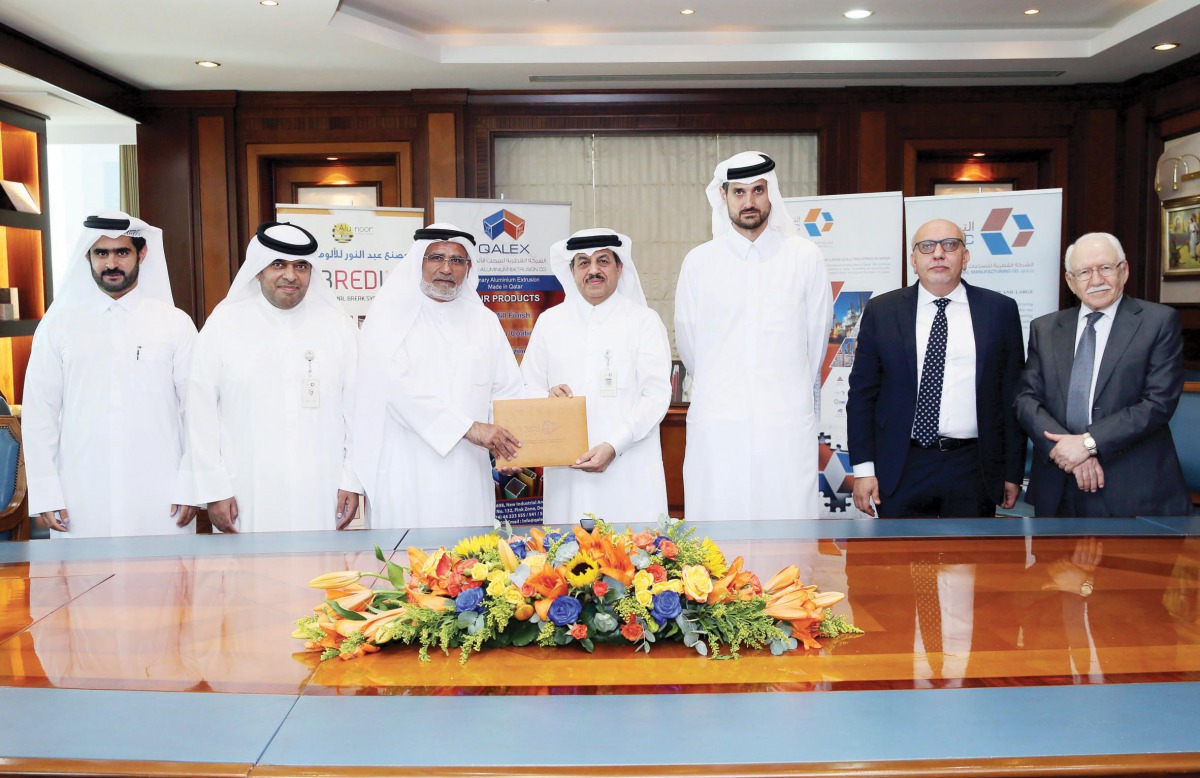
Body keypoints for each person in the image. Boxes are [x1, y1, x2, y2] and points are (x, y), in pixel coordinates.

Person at [674, 151, 832, 520]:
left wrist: (782, 392)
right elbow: (690, 344)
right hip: (719, 420)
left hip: (785, 420)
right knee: (718, 521)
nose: (749, 202)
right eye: (739, 192)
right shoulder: (699, 262)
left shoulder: (804, 257)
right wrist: (725, 388)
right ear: (724, 197)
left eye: (758, 190)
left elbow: (816, 340)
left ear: (771, 194)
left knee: (787, 517)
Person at [23, 212, 198, 538]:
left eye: (122, 252)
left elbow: (197, 411)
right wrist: (46, 489)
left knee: (164, 585)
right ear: (87, 256)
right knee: (81, 585)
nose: (111, 263)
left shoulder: (175, 323)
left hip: (161, 494)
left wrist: (191, 482)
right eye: (101, 253)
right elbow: (39, 414)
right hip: (80, 495)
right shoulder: (58, 325)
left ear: (141, 255)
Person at [187, 222, 361, 532]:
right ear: (257, 269)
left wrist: (352, 479)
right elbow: (200, 412)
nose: (291, 275)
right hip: (245, 489)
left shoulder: (338, 326)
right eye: (278, 264)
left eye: (301, 265)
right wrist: (214, 489)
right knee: (249, 577)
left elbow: (358, 411)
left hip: (322, 489)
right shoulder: (224, 324)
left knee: (322, 575)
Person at [847, 219, 1025, 518]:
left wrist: (1012, 471)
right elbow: (863, 395)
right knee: (900, 561)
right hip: (902, 465)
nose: (938, 254)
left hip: (974, 466)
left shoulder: (1000, 311)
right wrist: (864, 470)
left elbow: (1012, 396)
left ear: (965, 257)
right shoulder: (883, 311)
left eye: (950, 245)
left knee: (969, 562)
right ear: (914, 261)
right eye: (927, 246)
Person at [354, 224, 523, 528]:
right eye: (436, 258)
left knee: (471, 563)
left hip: (468, 472)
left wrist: (511, 448)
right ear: (420, 262)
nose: (446, 269)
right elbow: (395, 389)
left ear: (468, 268)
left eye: (457, 260)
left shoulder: (485, 321)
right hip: (407, 467)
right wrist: (470, 428)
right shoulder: (389, 318)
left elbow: (507, 391)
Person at [1014, 232, 1189, 517]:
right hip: (1059, 485)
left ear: (1124, 270)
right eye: (1084, 272)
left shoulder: (1158, 322)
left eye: (1105, 268)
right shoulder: (1044, 329)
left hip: (1132, 488)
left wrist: (1088, 443)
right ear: (1070, 281)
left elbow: (1158, 403)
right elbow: (1026, 399)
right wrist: (1067, 451)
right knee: (1053, 563)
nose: (1096, 280)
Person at [521, 228, 672, 523]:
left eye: (603, 261)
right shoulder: (550, 323)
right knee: (568, 560)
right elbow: (528, 386)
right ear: (572, 271)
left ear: (619, 268)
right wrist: (547, 399)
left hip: (629, 466)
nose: (593, 270)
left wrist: (614, 444)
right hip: (568, 473)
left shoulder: (644, 321)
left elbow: (656, 395)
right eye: (583, 262)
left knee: (634, 561)